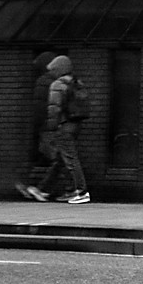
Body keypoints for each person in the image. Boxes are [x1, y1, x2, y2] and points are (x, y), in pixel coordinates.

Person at [41, 55, 91, 203]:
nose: (52, 73)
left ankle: (81, 192)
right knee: (64, 159)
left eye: (53, 69)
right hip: (75, 125)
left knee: (70, 160)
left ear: (59, 69)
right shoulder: (77, 83)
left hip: (63, 126)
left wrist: (51, 128)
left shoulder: (57, 85)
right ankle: (70, 191)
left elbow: (54, 109)